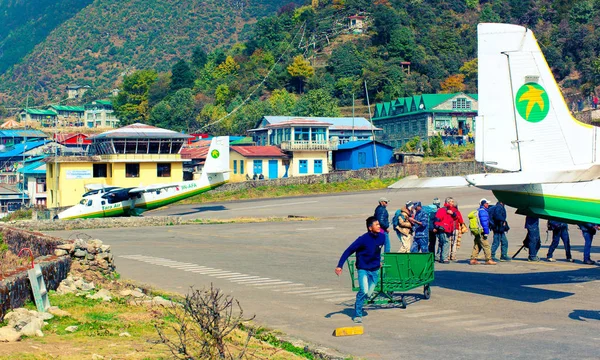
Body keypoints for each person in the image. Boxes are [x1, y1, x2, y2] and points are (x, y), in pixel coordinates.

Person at [335, 216, 386, 324]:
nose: (379, 226)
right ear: (370, 227)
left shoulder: (382, 237)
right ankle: (357, 314)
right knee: (363, 291)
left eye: (379, 224)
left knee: (368, 293)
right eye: (376, 225)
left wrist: (379, 262)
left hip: (375, 269)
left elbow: (377, 251)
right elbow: (348, 251)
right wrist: (340, 265)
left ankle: (365, 297)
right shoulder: (363, 239)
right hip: (363, 268)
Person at [469, 199, 496, 265]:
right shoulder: (483, 211)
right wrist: (486, 232)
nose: (488, 204)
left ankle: (473, 259)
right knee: (486, 245)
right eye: (487, 203)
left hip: (477, 231)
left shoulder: (478, 211)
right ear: (484, 204)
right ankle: (488, 259)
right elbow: (484, 223)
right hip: (481, 231)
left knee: (477, 245)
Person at [434, 197, 458, 263]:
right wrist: (437, 227)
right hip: (443, 228)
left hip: (448, 229)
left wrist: (452, 213)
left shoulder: (451, 210)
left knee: (442, 243)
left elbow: (456, 217)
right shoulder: (442, 210)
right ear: (448, 202)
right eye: (452, 202)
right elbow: (437, 219)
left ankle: (438, 256)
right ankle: (444, 258)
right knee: (446, 242)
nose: (453, 203)